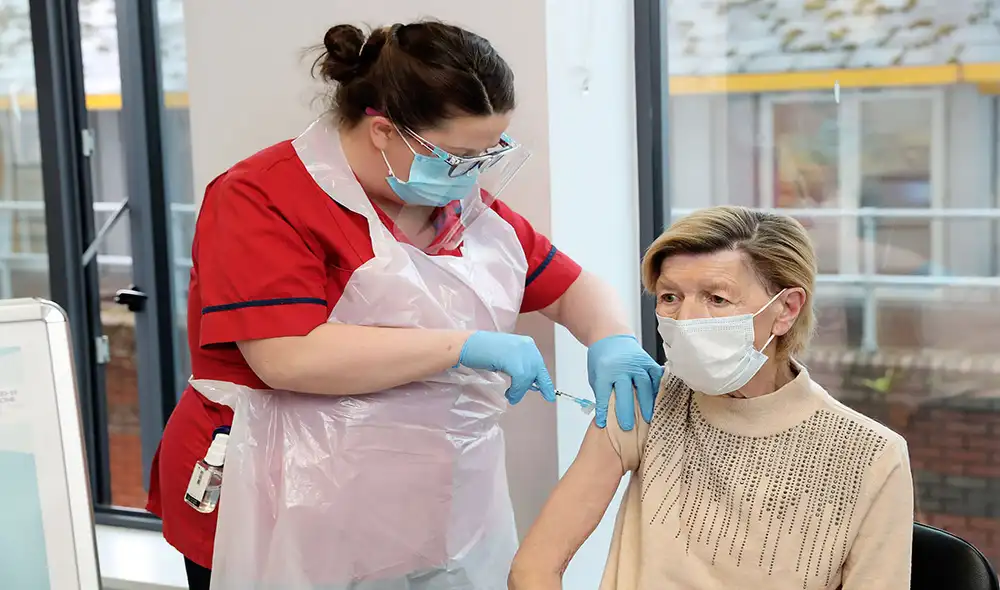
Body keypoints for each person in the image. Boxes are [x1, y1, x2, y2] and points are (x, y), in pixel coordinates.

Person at [145, 20, 663, 590]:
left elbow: (571, 287)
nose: (472, 174)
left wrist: (613, 339)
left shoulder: (462, 211)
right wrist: (462, 347)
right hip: (275, 490)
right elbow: (286, 356)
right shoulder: (261, 197)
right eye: (459, 157)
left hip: (415, 508)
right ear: (384, 131)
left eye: (486, 155)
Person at [510, 206, 914, 590]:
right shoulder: (646, 403)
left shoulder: (872, 456)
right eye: (670, 297)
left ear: (786, 309)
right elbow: (535, 567)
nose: (686, 320)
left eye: (716, 299)